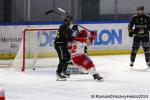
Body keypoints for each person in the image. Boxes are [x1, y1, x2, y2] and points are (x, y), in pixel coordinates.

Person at [54, 16, 73, 81]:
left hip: (63, 45)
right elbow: (66, 36)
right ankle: (58, 74)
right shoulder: (62, 26)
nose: (70, 23)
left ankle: (63, 71)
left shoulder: (68, 28)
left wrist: (75, 31)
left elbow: (70, 39)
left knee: (68, 57)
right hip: (59, 44)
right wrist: (70, 30)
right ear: (66, 21)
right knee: (62, 59)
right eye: (69, 21)